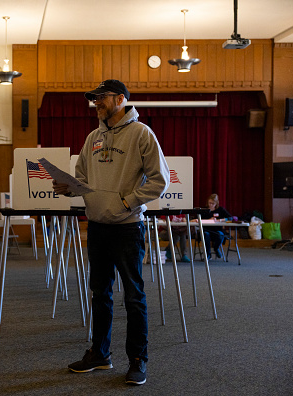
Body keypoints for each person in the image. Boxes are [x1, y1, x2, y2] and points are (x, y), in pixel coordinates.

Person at [52, 79, 169, 386]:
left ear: (120, 99)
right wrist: (68, 188)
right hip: (98, 227)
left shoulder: (142, 134)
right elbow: (81, 179)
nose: (96, 103)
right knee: (99, 294)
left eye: (101, 98)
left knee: (134, 296)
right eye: (94, 99)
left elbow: (160, 181)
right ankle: (100, 353)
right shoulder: (93, 137)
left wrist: (127, 202)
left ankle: (138, 360)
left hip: (128, 228)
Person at [201, 193, 232, 259]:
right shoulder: (204, 210)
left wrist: (220, 220)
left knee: (221, 235)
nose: (211, 205)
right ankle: (208, 254)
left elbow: (230, 218)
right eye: (209, 203)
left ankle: (216, 248)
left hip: (217, 230)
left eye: (212, 203)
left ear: (216, 203)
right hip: (207, 230)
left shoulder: (220, 209)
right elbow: (198, 219)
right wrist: (209, 220)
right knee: (206, 235)